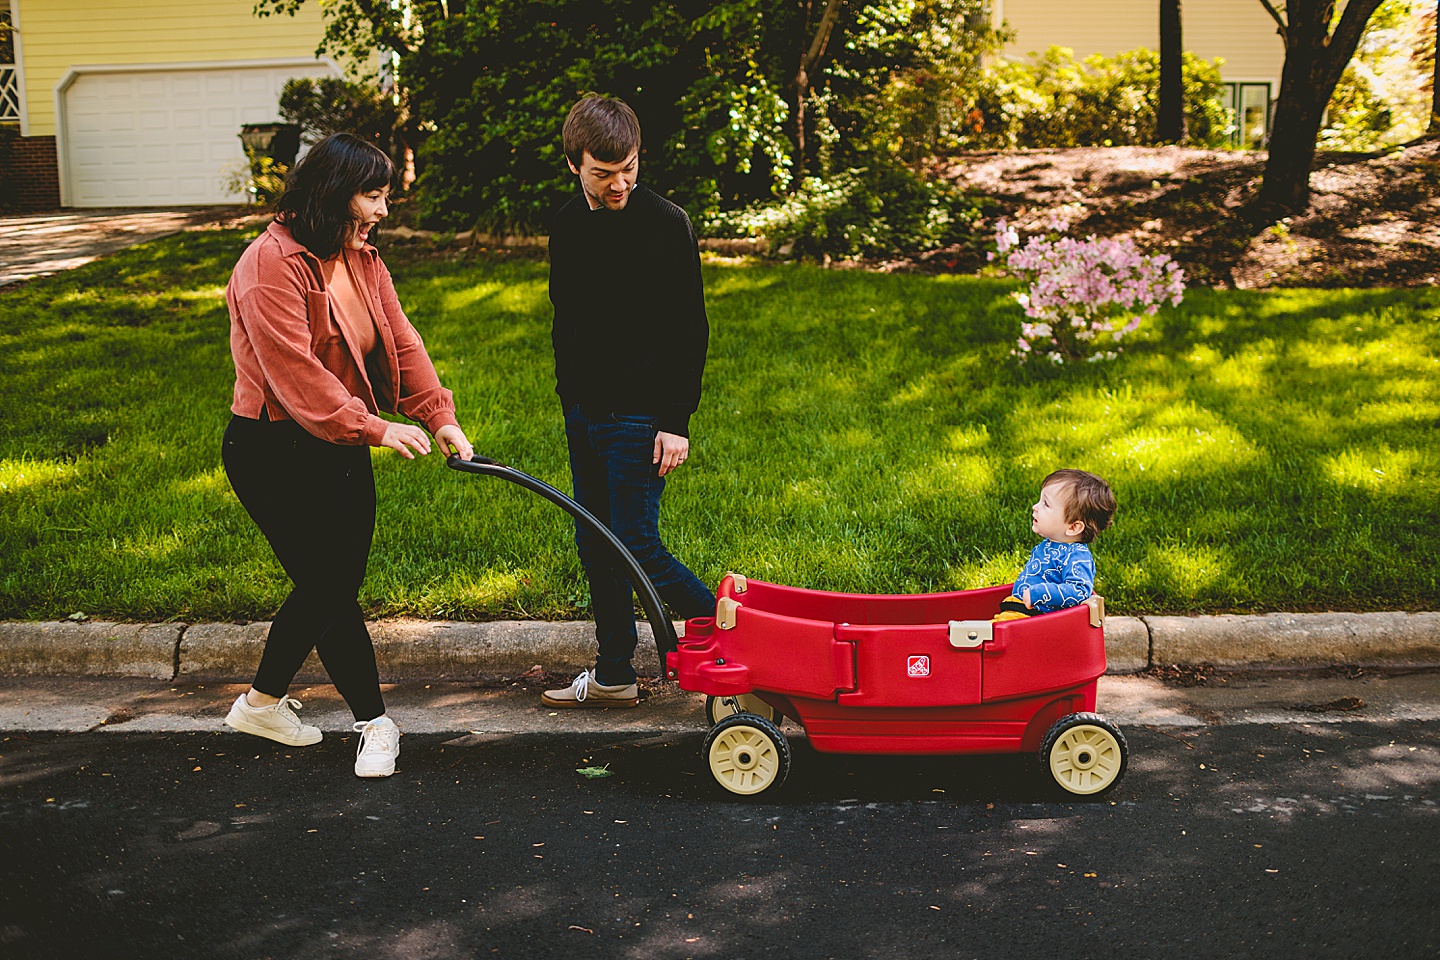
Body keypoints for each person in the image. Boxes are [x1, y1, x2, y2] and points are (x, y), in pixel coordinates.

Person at [219, 132, 474, 777]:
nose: (384, 211)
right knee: (329, 586)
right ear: (335, 195)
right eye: (374, 196)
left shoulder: (360, 257)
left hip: (340, 442)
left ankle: (260, 703)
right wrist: (375, 429)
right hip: (272, 447)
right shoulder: (268, 265)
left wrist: (435, 414)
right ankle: (374, 721)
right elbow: (294, 374)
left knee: (330, 584)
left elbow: (401, 339)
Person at [542, 94, 717, 708]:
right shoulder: (566, 224)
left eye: (629, 169)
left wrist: (674, 421)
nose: (619, 184)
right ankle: (614, 673)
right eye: (603, 173)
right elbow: (569, 319)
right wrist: (572, 398)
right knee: (595, 541)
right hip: (584, 411)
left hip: (640, 416)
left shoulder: (664, 223)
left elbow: (688, 330)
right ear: (575, 166)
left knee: (637, 542)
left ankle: (732, 639)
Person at [993, 469, 1115, 622]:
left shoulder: (1076, 556)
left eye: (1046, 504)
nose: (1035, 507)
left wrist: (1039, 593)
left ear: (1073, 527)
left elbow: (1080, 590)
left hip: (1034, 618)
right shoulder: (1050, 544)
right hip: (1018, 612)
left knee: (977, 638)